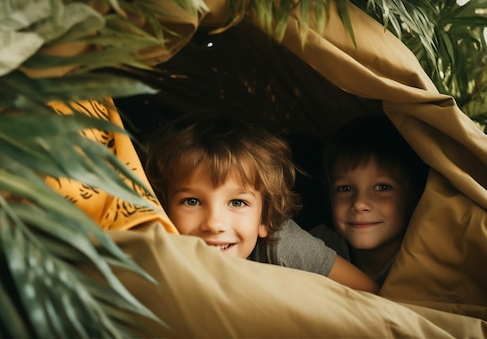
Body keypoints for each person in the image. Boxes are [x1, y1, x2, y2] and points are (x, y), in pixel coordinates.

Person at [143, 111, 379, 293]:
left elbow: (367, 293)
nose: (214, 224)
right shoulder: (156, 250)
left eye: (237, 203)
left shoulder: (284, 246)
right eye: (192, 201)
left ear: (264, 218)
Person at [311, 115, 429, 286]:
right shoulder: (318, 246)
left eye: (382, 187)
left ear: (413, 196)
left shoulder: (429, 259)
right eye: (345, 188)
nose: (359, 204)